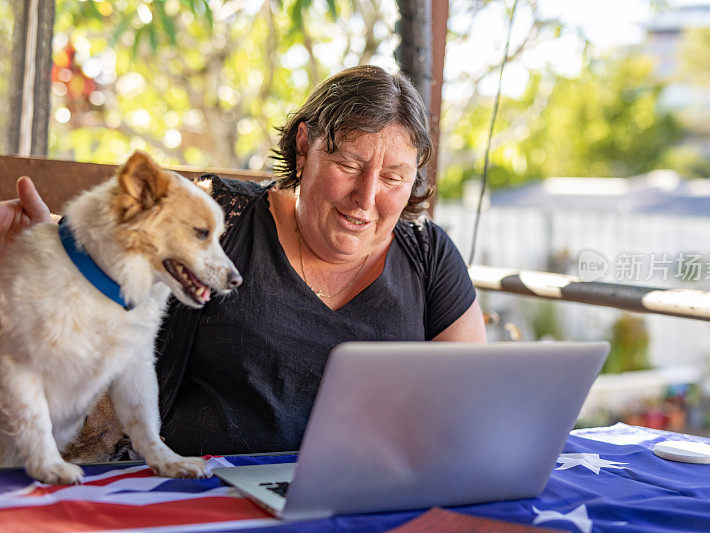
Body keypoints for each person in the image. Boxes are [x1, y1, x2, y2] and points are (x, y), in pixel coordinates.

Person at [0, 65, 486, 456]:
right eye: (348, 165)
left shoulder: (427, 253)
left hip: (372, 497)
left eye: (394, 178)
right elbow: (101, 254)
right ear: (303, 147)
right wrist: (44, 257)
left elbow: (475, 406)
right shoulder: (219, 220)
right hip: (203, 497)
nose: (366, 197)